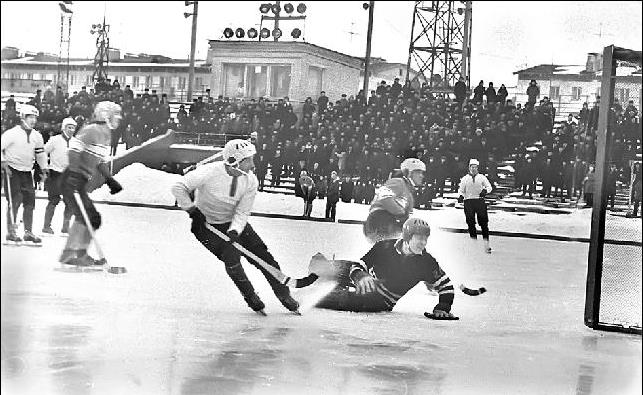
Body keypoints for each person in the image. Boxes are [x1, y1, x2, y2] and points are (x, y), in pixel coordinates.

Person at [171, 139, 300, 315]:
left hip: (233, 224)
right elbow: (178, 187)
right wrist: (192, 211)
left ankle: (284, 295)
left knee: (263, 255)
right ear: (234, 161)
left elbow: (242, 212)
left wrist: (234, 230)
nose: (253, 165)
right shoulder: (209, 172)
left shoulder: (251, 181)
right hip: (205, 226)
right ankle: (251, 297)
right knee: (232, 258)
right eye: (249, 160)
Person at [315, 217, 456, 318]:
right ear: (407, 237)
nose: (423, 243)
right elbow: (359, 264)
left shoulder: (426, 262)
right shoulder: (384, 246)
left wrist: (442, 307)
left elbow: (446, 286)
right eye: (419, 238)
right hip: (368, 280)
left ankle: (317, 293)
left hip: (380, 300)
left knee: (334, 298)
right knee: (323, 267)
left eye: (426, 238)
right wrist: (360, 276)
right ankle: (323, 274)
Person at [58, 101, 124, 266]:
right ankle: (70, 254)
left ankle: (80, 253)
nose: (118, 118)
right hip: (72, 179)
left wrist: (109, 179)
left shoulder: (106, 133)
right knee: (84, 216)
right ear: (105, 115)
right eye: (114, 115)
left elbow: (99, 160)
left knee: (93, 218)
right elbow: (73, 150)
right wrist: (73, 174)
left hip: (80, 179)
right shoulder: (91, 130)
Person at [1, 104, 48, 244]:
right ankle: (11, 232)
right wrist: (3, 163)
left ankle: (28, 232)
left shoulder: (37, 136)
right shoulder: (12, 133)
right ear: (23, 118)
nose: (33, 120)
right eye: (30, 117)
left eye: (35, 118)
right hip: (12, 171)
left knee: (29, 202)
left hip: (27, 172)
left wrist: (44, 169)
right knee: (15, 201)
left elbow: (40, 154)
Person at [363, 158, 425, 244]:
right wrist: (400, 212)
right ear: (409, 173)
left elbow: (407, 216)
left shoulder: (409, 193)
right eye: (418, 172)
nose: (421, 176)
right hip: (380, 221)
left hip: (387, 224)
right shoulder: (398, 182)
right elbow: (384, 197)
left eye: (422, 173)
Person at [42, 117, 77, 234]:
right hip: (55, 174)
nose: (71, 130)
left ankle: (65, 227)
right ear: (63, 128)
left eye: (73, 128)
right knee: (54, 200)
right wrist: (44, 167)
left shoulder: (75, 142)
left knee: (70, 202)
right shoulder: (54, 140)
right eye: (69, 127)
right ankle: (46, 226)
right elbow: (43, 152)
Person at [457, 159, 493, 253]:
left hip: (479, 202)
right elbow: (461, 190)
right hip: (468, 202)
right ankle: (474, 245)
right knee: (470, 223)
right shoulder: (465, 178)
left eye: (475, 167)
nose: (473, 169)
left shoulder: (482, 178)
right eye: (472, 167)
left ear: (478, 168)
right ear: (469, 168)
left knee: (483, 223)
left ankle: (486, 245)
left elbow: (489, 187)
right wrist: (461, 196)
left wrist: (485, 191)